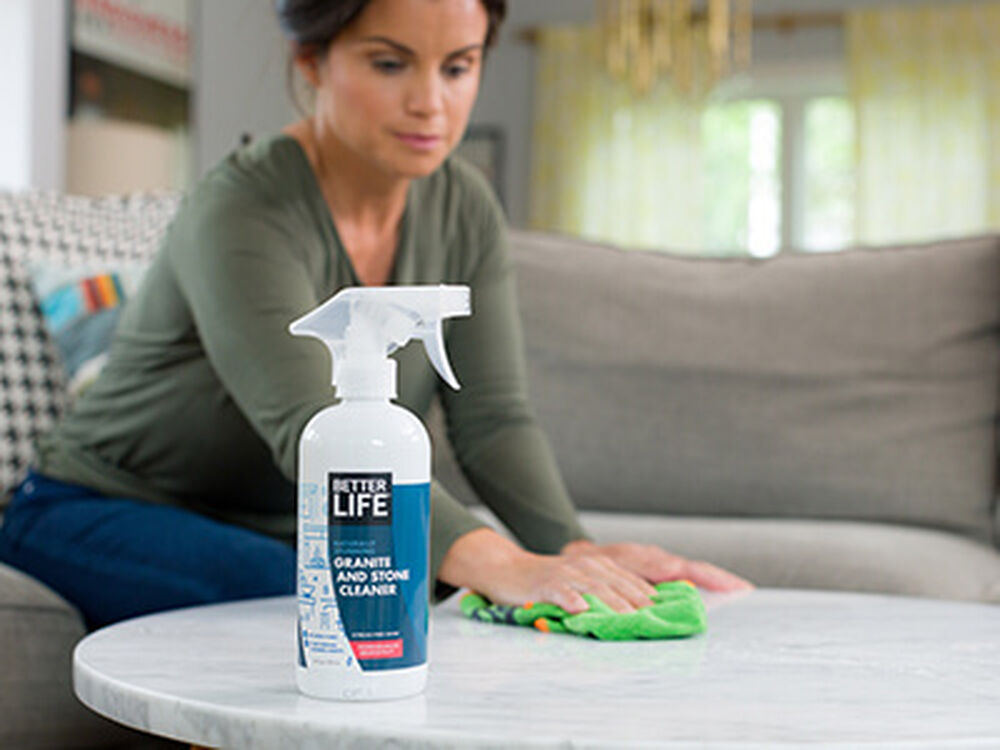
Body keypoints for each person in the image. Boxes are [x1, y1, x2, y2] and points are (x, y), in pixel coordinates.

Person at [0, 0, 752, 631]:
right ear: (312, 60)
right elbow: (313, 426)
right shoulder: (241, 210)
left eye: (457, 66)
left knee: (406, 582)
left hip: (281, 520)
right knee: (325, 595)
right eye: (390, 64)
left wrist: (571, 555)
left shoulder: (464, 207)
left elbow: (493, 421)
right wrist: (500, 562)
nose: (431, 102)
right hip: (100, 506)